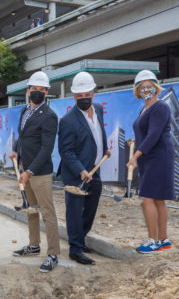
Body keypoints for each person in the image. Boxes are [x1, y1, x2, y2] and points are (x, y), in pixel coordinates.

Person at [10, 71, 61, 272]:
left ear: (47, 92)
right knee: (31, 210)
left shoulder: (49, 116)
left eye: (42, 90)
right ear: (28, 90)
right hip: (25, 168)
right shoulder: (24, 111)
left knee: (47, 213)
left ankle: (53, 254)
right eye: (34, 89)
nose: (37, 92)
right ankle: (33, 245)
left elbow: (47, 148)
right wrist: (15, 149)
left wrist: (29, 171)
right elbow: (22, 135)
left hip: (39, 173)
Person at [58, 71, 108, 266]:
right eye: (79, 96)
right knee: (75, 210)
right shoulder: (68, 121)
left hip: (95, 169)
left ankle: (81, 237)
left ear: (93, 93)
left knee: (91, 207)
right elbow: (66, 151)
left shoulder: (98, 109)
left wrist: (104, 149)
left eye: (86, 94)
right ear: (74, 97)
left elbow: (97, 133)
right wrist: (81, 170)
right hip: (76, 174)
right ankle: (75, 249)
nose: (84, 98)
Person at [128, 70, 175, 253]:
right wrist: (136, 142)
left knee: (147, 200)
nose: (146, 89)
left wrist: (135, 156)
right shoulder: (145, 108)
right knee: (157, 200)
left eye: (149, 86)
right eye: (142, 87)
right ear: (138, 90)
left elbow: (154, 135)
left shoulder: (160, 107)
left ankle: (153, 241)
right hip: (151, 156)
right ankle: (163, 240)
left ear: (156, 88)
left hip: (159, 156)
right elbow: (145, 132)